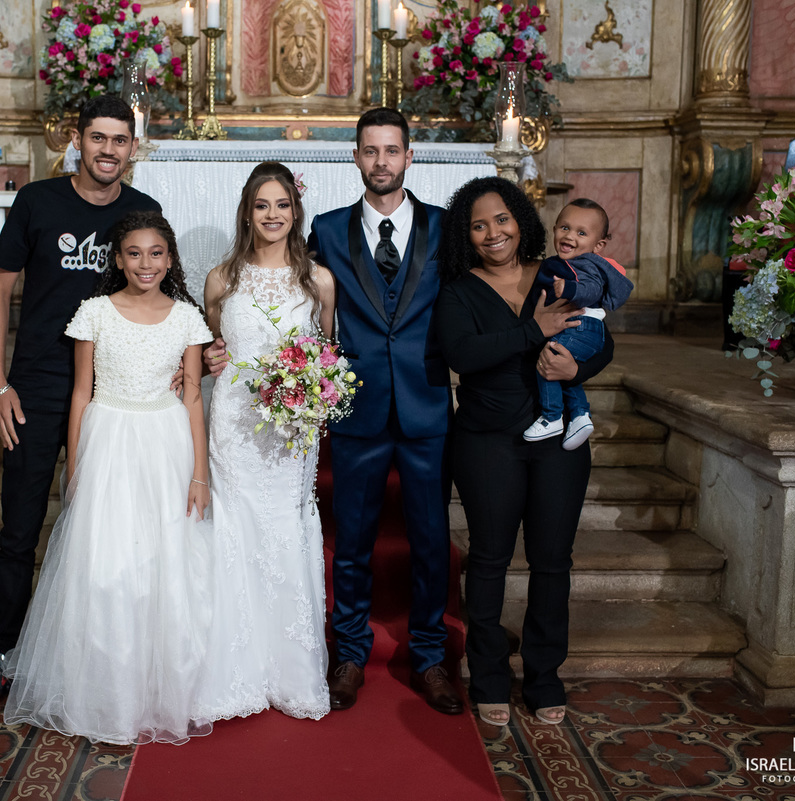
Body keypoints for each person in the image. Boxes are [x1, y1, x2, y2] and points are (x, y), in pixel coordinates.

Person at [0, 95, 163, 712]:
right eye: (97, 138)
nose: (108, 150)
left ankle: (95, 659)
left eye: (119, 140)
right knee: (20, 527)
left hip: (114, 392)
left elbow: (162, 293)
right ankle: (7, 656)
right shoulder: (37, 202)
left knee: (107, 533)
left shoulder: (143, 211)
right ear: (77, 142)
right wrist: (0, 384)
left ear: (133, 147)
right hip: (40, 385)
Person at [3, 211, 215, 744]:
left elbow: (191, 397)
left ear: (170, 260)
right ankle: (103, 692)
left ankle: (157, 688)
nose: (146, 264)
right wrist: (75, 462)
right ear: (116, 259)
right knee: (105, 565)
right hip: (110, 439)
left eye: (156, 254)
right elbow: (81, 393)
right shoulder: (94, 312)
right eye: (134, 254)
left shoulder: (187, 316)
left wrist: (200, 473)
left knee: (162, 561)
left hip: (166, 442)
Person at [434, 177, 614, 728]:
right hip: (488, 440)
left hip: (559, 440)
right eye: (479, 224)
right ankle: (488, 676)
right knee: (488, 560)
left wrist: (578, 368)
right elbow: (462, 353)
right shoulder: (458, 290)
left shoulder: (557, 271)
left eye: (502, 219)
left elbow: (602, 335)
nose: (493, 233)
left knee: (553, 561)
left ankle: (543, 676)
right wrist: (531, 331)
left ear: (521, 220)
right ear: (466, 235)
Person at [306, 108, 462, 715]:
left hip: (426, 406)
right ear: (355, 157)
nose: (380, 162)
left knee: (429, 540)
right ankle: (348, 653)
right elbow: (296, 300)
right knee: (353, 543)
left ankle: (429, 657)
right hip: (358, 408)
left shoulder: (446, 229)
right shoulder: (325, 228)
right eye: (370, 151)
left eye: (391, 151)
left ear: (409, 156)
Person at [195, 162, 337, 723]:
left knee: (284, 530)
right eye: (262, 205)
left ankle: (290, 668)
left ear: (295, 212)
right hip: (233, 420)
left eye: (282, 205)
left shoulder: (318, 281)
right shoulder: (221, 278)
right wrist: (212, 358)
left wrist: (310, 393)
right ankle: (235, 667)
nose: (273, 215)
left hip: (290, 430)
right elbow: (212, 347)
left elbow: (331, 356)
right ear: (247, 212)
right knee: (234, 531)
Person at [523, 198, 633, 449]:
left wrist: (568, 288)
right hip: (581, 327)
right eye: (564, 228)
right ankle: (580, 415)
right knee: (561, 364)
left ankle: (551, 417)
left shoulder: (588, 263)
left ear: (599, 245)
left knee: (549, 358)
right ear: (554, 229)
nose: (569, 236)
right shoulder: (565, 262)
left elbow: (592, 288)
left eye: (581, 233)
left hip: (582, 326)